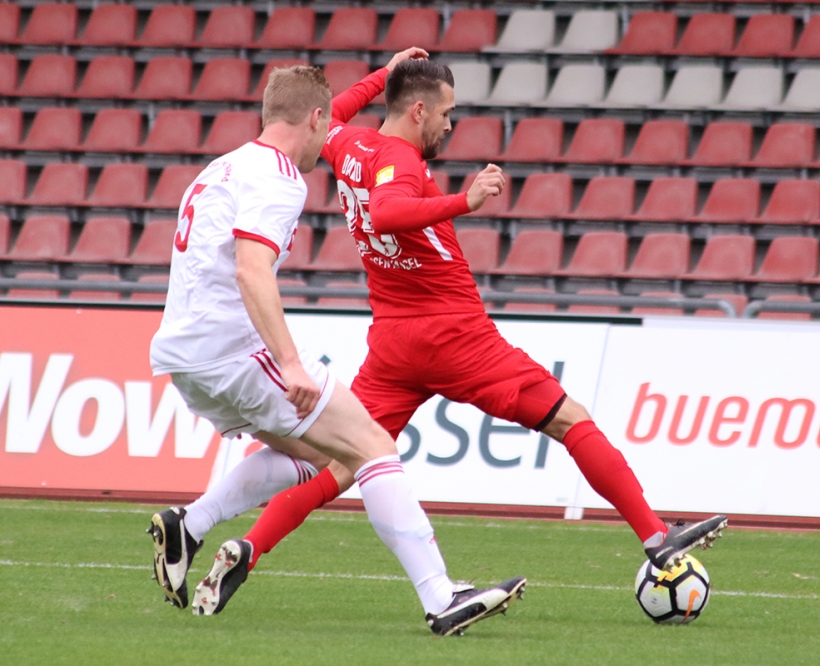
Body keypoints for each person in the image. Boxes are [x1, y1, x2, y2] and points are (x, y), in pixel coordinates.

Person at [200, 56, 728, 609]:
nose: (449, 125)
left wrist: (383, 75)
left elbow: (329, 117)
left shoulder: (348, 144)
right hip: (455, 336)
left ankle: (248, 549)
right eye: (446, 113)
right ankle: (656, 537)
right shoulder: (400, 161)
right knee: (569, 418)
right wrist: (465, 201)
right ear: (419, 110)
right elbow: (387, 212)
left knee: (343, 463)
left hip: (393, 344)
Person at [147, 58, 526, 637]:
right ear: (315, 119)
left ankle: (191, 524)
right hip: (233, 354)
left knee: (316, 456)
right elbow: (252, 270)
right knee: (372, 446)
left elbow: (322, 116)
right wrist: (291, 364)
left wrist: (382, 74)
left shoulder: (222, 167)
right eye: (327, 123)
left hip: (184, 357)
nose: (331, 137)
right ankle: (441, 596)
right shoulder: (279, 177)